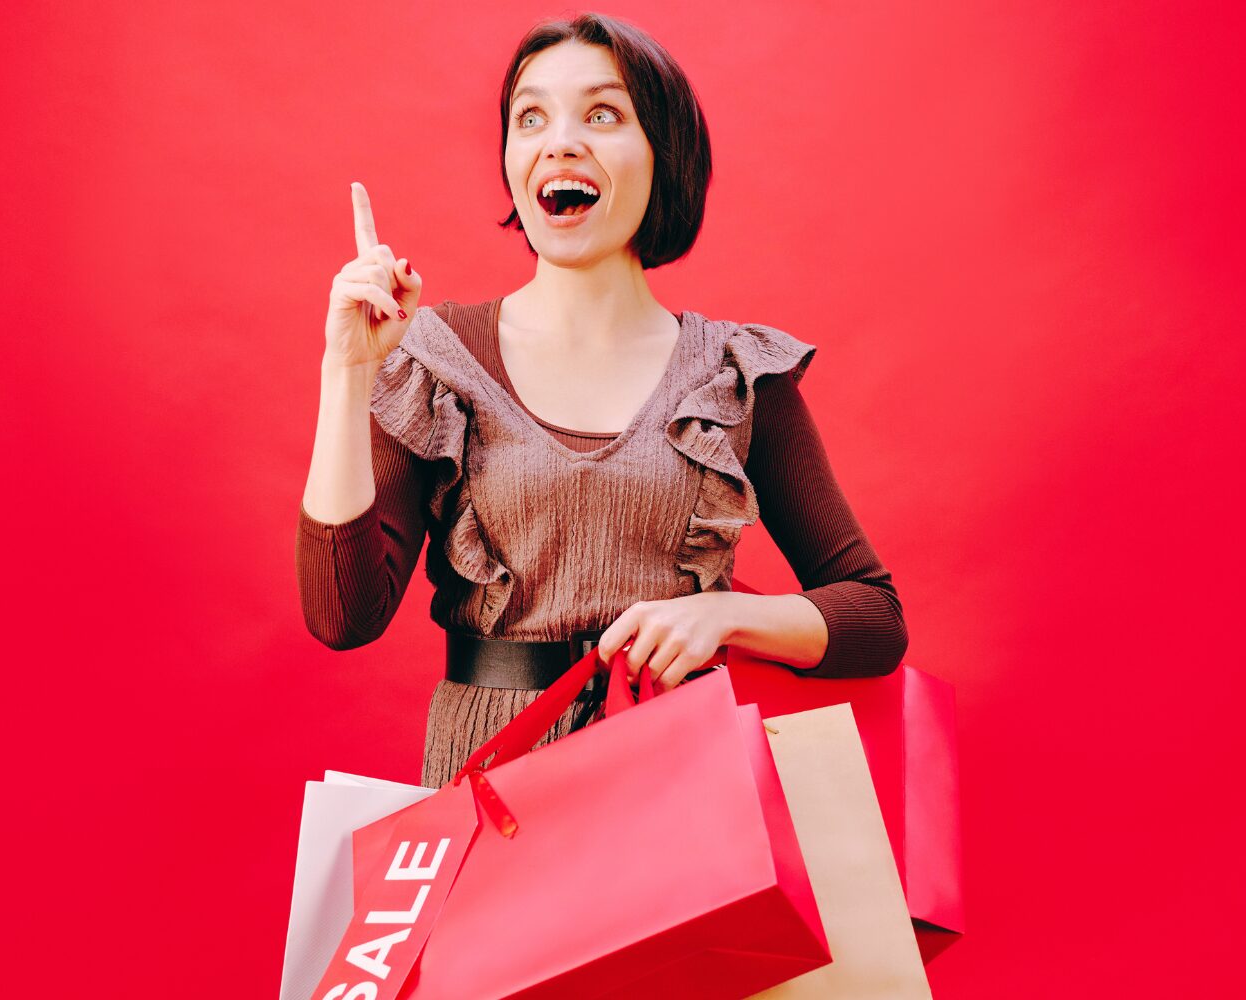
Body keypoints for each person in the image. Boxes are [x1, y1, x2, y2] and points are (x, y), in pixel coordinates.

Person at [297, 13, 907, 790]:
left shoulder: (734, 373)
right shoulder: (437, 357)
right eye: (531, 117)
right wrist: (346, 373)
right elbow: (343, 618)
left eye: (602, 113)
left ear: (664, 155)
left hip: (681, 791)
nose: (559, 140)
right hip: (490, 793)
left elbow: (877, 619)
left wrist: (725, 617)